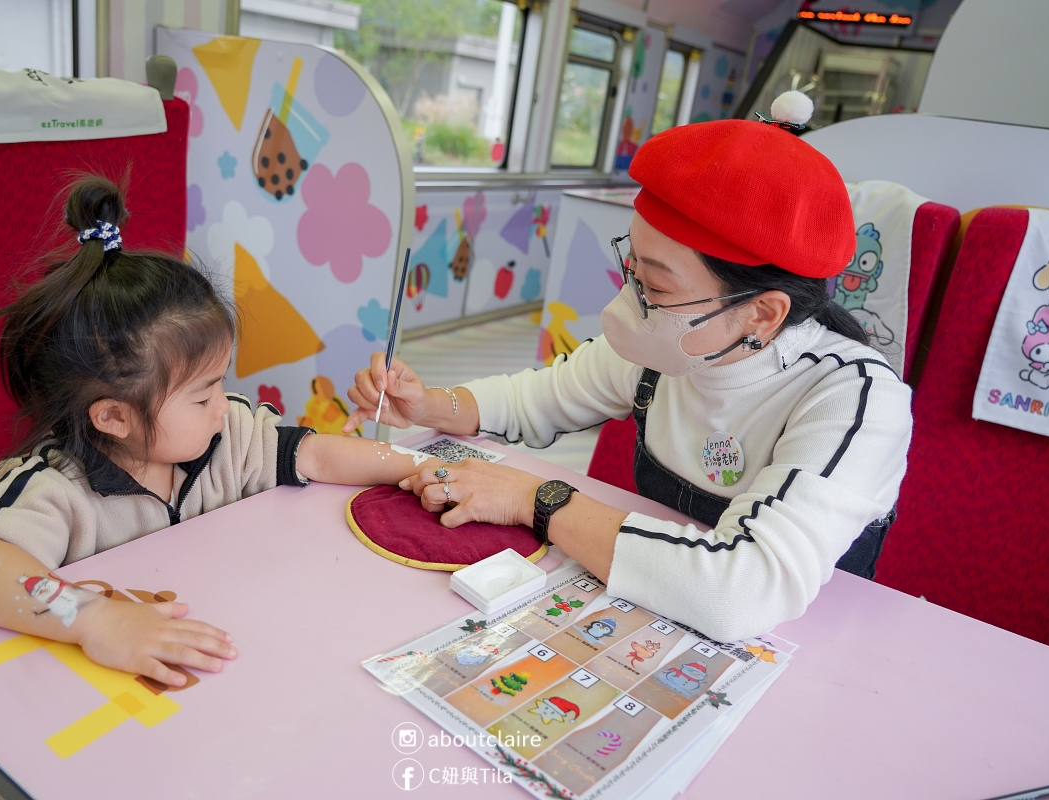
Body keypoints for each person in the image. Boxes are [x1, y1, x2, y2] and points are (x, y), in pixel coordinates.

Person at [345, 96, 913, 643]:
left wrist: (538, 499)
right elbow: (532, 400)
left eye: (656, 287)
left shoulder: (855, 401)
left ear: (762, 312)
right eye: (631, 270)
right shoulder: (666, 348)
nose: (629, 302)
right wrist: (429, 405)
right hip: (654, 613)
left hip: (806, 652)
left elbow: (741, 589)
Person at [0, 175, 446, 688]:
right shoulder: (55, 489)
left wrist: (425, 467)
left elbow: (319, 456)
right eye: (202, 395)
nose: (225, 407)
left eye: (221, 384)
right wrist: (93, 619)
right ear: (114, 417)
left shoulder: (226, 436)